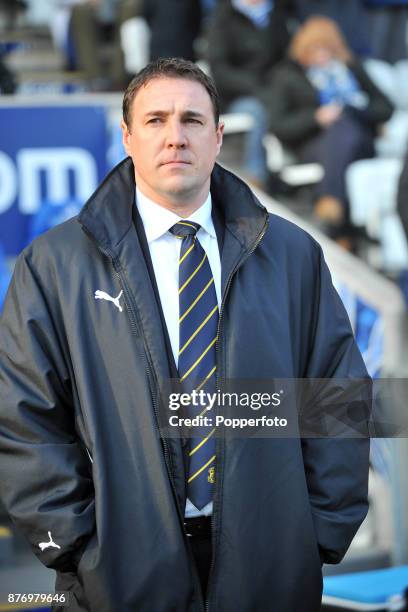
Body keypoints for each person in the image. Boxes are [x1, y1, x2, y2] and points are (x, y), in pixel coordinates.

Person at [0, 58, 370, 611]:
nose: (175, 137)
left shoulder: (294, 257)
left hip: (270, 569)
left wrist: (314, 534)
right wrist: (77, 545)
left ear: (219, 137)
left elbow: (336, 399)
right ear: (127, 137)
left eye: (193, 120)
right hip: (119, 575)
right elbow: (25, 419)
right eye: (155, 120)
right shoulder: (54, 266)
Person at [264, 16, 393, 232]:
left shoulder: (351, 68)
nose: (322, 55)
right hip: (314, 143)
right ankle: (346, 229)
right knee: (340, 135)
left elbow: (385, 108)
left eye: (327, 49)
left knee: (344, 128)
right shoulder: (287, 76)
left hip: (360, 141)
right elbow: (279, 125)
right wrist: (316, 118)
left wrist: (351, 110)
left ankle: (331, 202)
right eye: (316, 49)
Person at [207, 0, 290, 188]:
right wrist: (256, 86)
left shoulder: (277, 16)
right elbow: (220, 70)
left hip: (274, 92)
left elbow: (287, 62)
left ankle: (285, 173)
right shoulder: (223, 19)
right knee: (257, 111)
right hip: (237, 96)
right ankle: (256, 176)